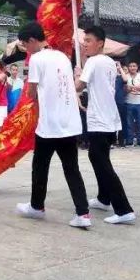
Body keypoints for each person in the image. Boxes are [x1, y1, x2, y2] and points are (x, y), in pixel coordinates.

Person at [15, 22, 91, 228]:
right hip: (69, 122)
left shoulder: (37, 59)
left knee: (40, 166)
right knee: (71, 169)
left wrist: (32, 90)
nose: (26, 49)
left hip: (49, 125)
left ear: (32, 40)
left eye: (25, 44)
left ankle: (36, 206)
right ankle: (82, 213)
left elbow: (31, 93)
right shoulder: (62, 57)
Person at [75, 26, 135, 224]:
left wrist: (76, 75)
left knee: (101, 162)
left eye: (89, 40)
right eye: (84, 41)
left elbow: (79, 86)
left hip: (100, 120)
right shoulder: (108, 61)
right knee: (98, 158)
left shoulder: (94, 61)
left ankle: (124, 209)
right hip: (109, 119)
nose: (85, 44)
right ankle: (103, 197)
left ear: (100, 42)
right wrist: (82, 65)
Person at [121, 62, 140, 147]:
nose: (132, 68)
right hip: (129, 102)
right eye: (130, 66)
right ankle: (130, 141)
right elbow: (125, 89)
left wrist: (132, 87)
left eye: (134, 66)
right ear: (128, 67)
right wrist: (133, 88)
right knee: (129, 123)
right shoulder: (126, 76)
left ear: (137, 67)